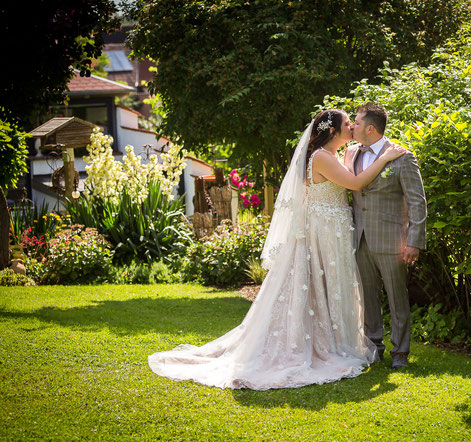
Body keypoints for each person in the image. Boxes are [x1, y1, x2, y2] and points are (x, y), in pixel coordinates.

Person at [147, 109, 405, 390]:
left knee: (325, 288)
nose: (352, 127)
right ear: (332, 131)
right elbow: (355, 183)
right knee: (319, 287)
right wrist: (385, 157)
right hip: (324, 231)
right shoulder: (321, 157)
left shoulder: (332, 155)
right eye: (347, 123)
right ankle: (320, 346)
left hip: (332, 229)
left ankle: (332, 340)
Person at [344, 103, 427, 369]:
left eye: (356, 122)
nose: (352, 126)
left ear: (370, 128)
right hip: (361, 237)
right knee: (368, 296)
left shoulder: (403, 157)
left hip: (393, 239)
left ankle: (400, 351)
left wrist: (414, 240)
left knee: (397, 296)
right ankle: (374, 345)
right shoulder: (352, 153)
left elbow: (418, 202)